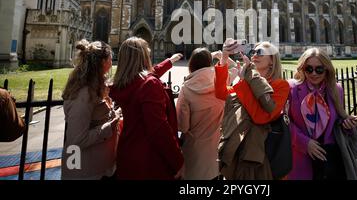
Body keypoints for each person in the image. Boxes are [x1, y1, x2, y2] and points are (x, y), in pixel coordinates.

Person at [109, 37, 184, 180]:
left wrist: (170, 61)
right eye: (147, 54)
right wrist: (178, 161)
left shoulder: (124, 82)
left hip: (127, 153)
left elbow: (149, 73)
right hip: (150, 159)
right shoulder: (149, 84)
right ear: (142, 57)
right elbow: (159, 129)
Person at [215, 40, 290, 179]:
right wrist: (224, 58)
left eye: (260, 52)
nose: (254, 55)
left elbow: (261, 117)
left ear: (272, 61)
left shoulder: (280, 85)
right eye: (253, 52)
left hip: (263, 158)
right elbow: (221, 93)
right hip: (239, 152)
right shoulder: (247, 82)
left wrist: (244, 80)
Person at [287, 48, 357, 180]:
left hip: (330, 157)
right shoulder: (291, 88)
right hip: (302, 157)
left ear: (327, 69)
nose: (314, 73)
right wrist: (304, 142)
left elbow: (337, 122)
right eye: (309, 69)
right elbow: (284, 122)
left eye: (319, 69)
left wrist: (346, 124)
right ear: (302, 69)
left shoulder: (335, 89)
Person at [61, 40, 120, 180]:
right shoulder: (84, 93)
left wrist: (114, 115)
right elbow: (77, 139)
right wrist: (109, 127)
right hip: (85, 172)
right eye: (111, 57)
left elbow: (97, 118)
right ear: (103, 62)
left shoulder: (95, 85)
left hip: (100, 167)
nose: (112, 60)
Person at [176, 48, 225, 180]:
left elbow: (182, 126)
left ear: (191, 64)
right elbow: (233, 68)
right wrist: (219, 56)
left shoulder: (186, 89)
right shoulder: (221, 82)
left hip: (195, 151)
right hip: (217, 150)